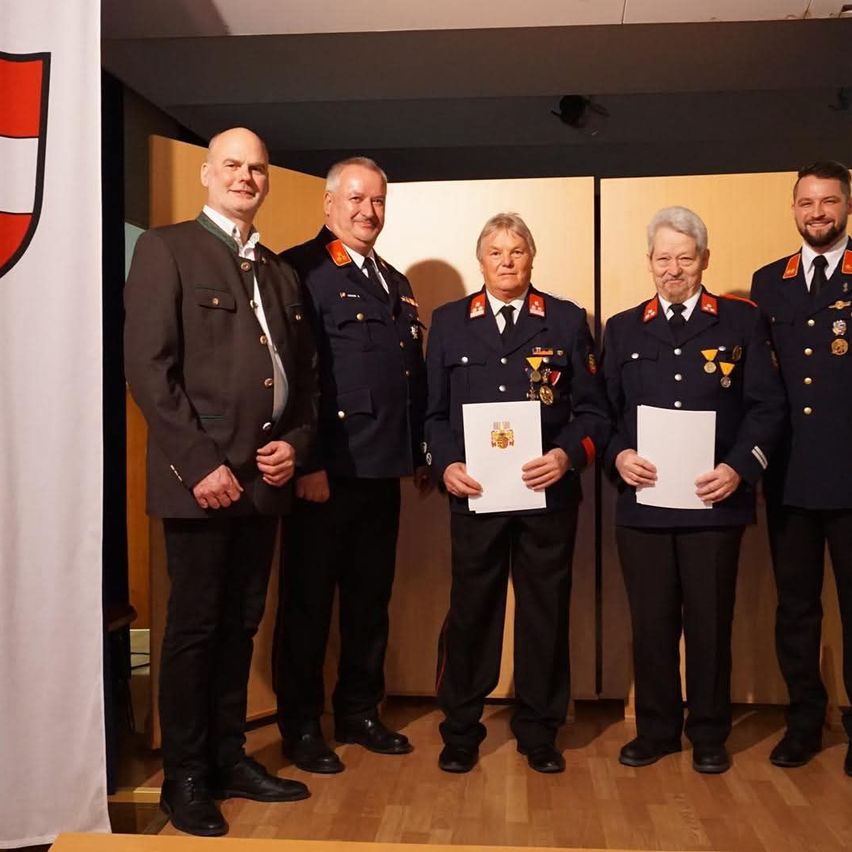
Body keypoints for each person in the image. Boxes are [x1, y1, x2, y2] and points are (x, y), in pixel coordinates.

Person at [124, 128, 317, 836]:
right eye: (232, 165)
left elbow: (304, 383)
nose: (246, 176)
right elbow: (148, 368)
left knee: (241, 625)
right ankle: (186, 775)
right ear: (207, 174)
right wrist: (200, 463)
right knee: (195, 630)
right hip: (199, 481)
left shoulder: (279, 272)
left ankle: (230, 755)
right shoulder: (165, 249)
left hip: (266, 480)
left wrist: (295, 445)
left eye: (257, 168)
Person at [424, 212, 610, 774]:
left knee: (543, 613)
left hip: (547, 498)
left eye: (518, 251)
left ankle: (539, 729)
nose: (507, 261)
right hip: (476, 497)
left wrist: (567, 456)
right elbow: (431, 416)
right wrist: (445, 466)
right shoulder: (450, 321)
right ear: (480, 260)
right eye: (496, 252)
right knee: (472, 612)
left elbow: (596, 413)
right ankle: (461, 728)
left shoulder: (566, 320)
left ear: (533, 257)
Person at [602, 206, 785, 774]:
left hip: (714, 504)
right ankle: (656, 730)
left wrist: (739, 469)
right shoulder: (623, 328)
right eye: (663, 258)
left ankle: (709, 731)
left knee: (709, 623)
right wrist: (618, 456)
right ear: (649, 262)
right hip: (644, 506)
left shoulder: (741, 322)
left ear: (705, 259)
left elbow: (767, 408)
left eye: (685, 257)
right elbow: (602, 413)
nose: (673, 269)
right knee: (652, 623)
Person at [273, 156, 429, 774]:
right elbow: (294, 372)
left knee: (370, 601)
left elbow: (404, 378)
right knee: (309, 605)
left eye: (379, 202)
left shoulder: (393, 281)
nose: (369, 212)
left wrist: (417, 451)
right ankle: (301, 726)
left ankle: (360, 710)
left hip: (381, 469)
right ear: (329, 204)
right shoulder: (301, 269)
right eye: (358, 200)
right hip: (325, 472)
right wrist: (307, 460)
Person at [750, 160, 852, 775]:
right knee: (796, 608)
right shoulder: (770, 283)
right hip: (788, 475)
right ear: (793, 208)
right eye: (807, 203)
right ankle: (804, 721)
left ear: (846, 207)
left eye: (830, 202)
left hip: (851, 475)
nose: (818, 213)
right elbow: (761, 386)